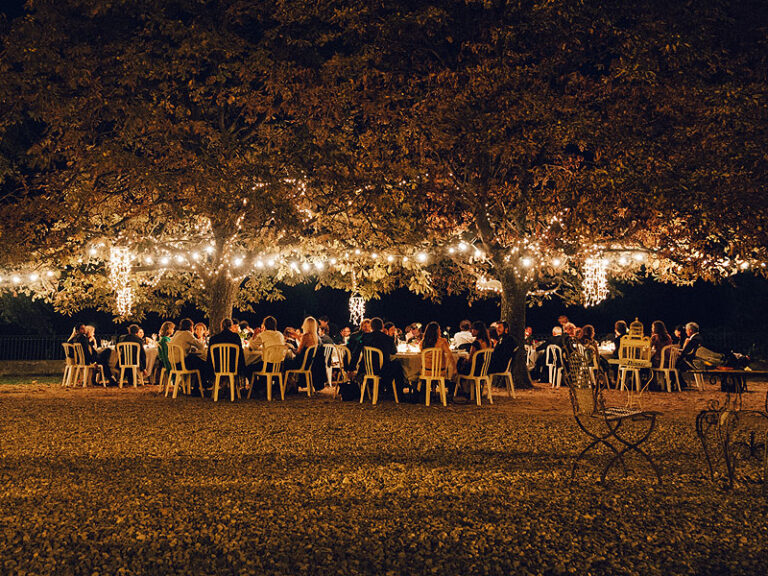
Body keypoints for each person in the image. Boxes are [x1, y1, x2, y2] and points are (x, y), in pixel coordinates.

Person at [359, 317, 406, 397]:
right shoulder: (388, 339)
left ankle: (385, 389)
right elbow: (394, 352)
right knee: (397, 363)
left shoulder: (365, 337)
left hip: (367, 368)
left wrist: (351, 368)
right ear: (382, 327)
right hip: (383, 370)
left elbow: (357, 351)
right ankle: (399, 393)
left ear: (371, 326)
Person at [169, 318, 209, 383]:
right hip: (181, 364)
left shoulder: (177, 333)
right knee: (204, 363)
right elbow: (201, 346)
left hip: (174, 364)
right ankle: (201, 385)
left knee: (197, 361)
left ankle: (197, 386)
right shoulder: (187, 333)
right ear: (190, 327)